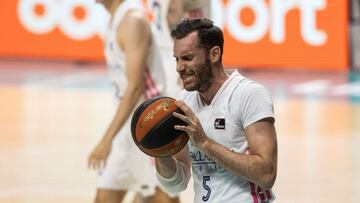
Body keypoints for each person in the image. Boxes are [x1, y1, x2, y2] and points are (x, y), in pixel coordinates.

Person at [154, 18, 278, 203]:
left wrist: (205, 143)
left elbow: (266, 174)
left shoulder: (249, 94)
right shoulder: (184, 102)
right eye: (177, 59)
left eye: (187, 58)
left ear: (214, 54)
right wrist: (161, 152)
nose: (179, 67)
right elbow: (176, 185)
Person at [88, 0, 186, 202]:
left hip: (148, 125)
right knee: (104, 196)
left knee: (163, 197)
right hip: (126, 127)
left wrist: (106, 139)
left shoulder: (133, 21)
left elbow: (135, 88)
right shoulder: (116, 20)